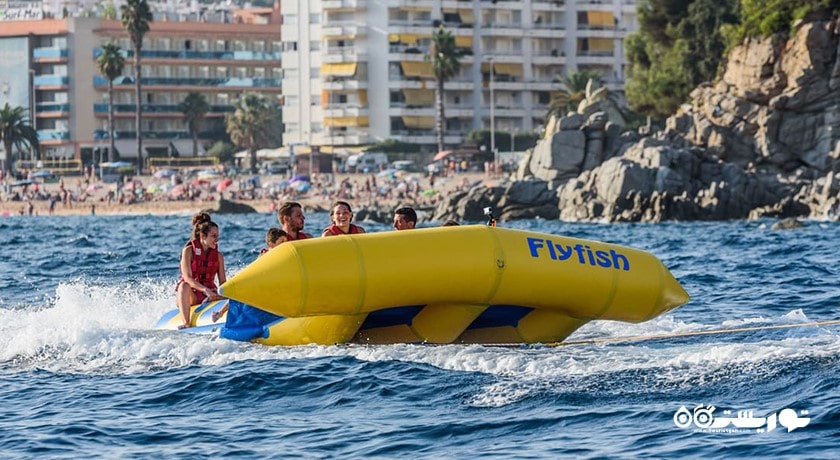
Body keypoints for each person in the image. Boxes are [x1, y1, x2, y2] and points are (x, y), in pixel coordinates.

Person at [176, 213, 226, 329]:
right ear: (203, 236)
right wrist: (205, 290)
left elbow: (223, 282)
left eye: (217, 236)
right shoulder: (188, 251)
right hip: (191, 295)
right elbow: (187, 278)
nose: (217, 239)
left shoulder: (219, 256)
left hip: (210, 294)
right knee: (183, 285)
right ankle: (186, 323)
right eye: (213, 236)